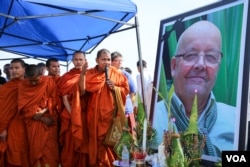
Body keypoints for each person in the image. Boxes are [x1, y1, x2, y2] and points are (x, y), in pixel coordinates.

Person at [152, 20, 235, 158]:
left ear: (218, 68)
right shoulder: (150, 123)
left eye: (210, 57)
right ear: (173, 66)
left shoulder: (236, 121)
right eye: (190, 55)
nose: (201, 65)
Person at [79, 48, 129, 166]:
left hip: (111, 116)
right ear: (97, 60)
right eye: (103, 59)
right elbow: (81, 92)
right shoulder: (90, 73)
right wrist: (82, 74)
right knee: (96, 144)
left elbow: (125, 90)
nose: (107, 62)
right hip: (94, 116)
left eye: (108, 59)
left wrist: (115, 88)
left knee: (111, 143)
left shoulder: (116, 74)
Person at [18, 64, 59, 167]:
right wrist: (40, 117)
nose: (33, 83)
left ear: (41, 75)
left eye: (36, 80)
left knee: (50, 149)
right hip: (33, 122)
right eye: (30, 80)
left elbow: (55, 100)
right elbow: (22, 106)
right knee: (35, 148)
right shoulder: (23, 85)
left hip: (49, 120)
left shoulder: (48, 81)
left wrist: (43, 112)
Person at [57, 51, 88, 167]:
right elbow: (64, 98)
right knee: (69, 144)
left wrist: (83, 75)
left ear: (85, 60)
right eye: (76, 59)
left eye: (81, 59)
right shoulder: (66, 77)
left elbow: (84, 92)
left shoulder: (89, 75)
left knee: (82, 143)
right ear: (72, 60)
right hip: (70, 114)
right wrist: (73, 115)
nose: (78, 62)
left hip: (83, 113)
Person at [0, 59, 30, 167]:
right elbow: (2, 109)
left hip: (27, 124)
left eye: (17, 68)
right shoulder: (5, 88)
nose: (13, 70)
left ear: (24, 70)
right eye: (11, 68)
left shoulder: (29, 85)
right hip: (10, 126)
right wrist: (2, 128)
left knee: (25, 153)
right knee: (13, 153)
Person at [111, 51, 136, 136]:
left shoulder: (125, 74)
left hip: (125, 108)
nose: (120, 62)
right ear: (111, 61)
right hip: (112, 108)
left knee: (129, 133)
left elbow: (132, 92)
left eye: (121, 60)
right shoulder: (106, 74)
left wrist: (130, 106)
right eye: (117, 60)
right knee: (114, 135)